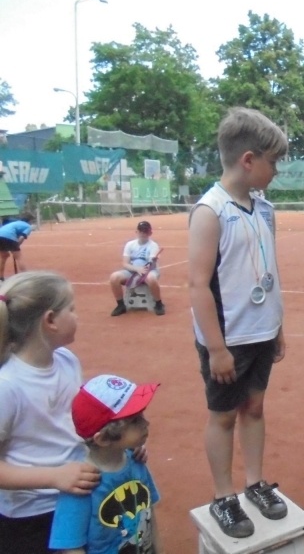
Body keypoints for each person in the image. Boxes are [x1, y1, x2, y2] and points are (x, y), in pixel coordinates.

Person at [188, 107, 288, 538]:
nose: (276, 171)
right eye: (273, 161)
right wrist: (216, 348)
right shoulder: (210, 211)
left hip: (262, 331)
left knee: (255, 408)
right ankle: (223, 496)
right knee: (224, 417)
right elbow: (197, 285)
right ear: (249, 160)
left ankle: (255, 483)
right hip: (227, 339)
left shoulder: (264, 208)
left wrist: (277, 324)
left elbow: (270, 269)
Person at [0, 271, 101, 554]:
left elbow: (77, 423)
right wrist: (54, 477)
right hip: (30, 517)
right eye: (72, 309)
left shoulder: (67, 360)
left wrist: (119, 443)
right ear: (50, 320)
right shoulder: (7, 386)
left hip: (75, 499)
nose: (77, 316)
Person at [49, 374, 163, 553]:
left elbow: (148, 515)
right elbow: (71, 547)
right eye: (134, 421)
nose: (146, 423)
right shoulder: (82, 482)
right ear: (102, 439)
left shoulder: (136, 461)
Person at [108, 221, 165, 317]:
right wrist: (137, 269)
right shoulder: (130, 245)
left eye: (146, 231)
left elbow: (151, 265)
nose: (143, 234)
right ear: (137, 232)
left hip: (150, 271)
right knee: (114, 277)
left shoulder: (153, 245)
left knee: (151, 278)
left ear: (150, 233)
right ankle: (120, 305)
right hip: (132, 271)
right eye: (141, 231)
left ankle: (158, 303)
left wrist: (151, 263)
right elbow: (125, 264)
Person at [0, 211, 36, 281]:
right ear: (29, 220)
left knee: (4, 256)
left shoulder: (15, 223)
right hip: (9, 237)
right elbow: (22, 238)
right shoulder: (28, 226)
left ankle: (0, 276)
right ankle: (26, 277)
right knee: (18, 257)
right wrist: (16, 246)